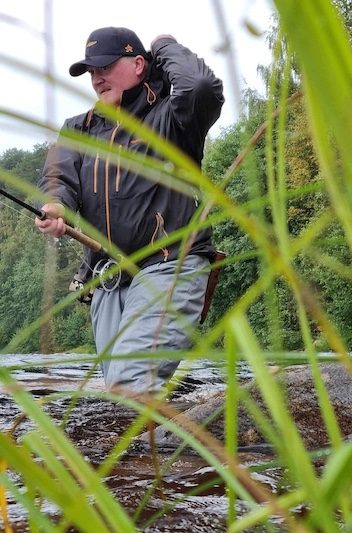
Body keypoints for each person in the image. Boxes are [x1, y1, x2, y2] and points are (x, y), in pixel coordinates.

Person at [35, 26, 224, 395]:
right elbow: (58, 176)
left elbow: (200, 86)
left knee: (130, 383)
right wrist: (56, 205)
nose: (97, 77)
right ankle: (176, 443)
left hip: (171, 264)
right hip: (107, 277)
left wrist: (164, 46)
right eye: (91, 71)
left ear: (139, 64)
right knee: (120, 398)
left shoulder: (173, 117)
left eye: (105, 66)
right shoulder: (79, 129)